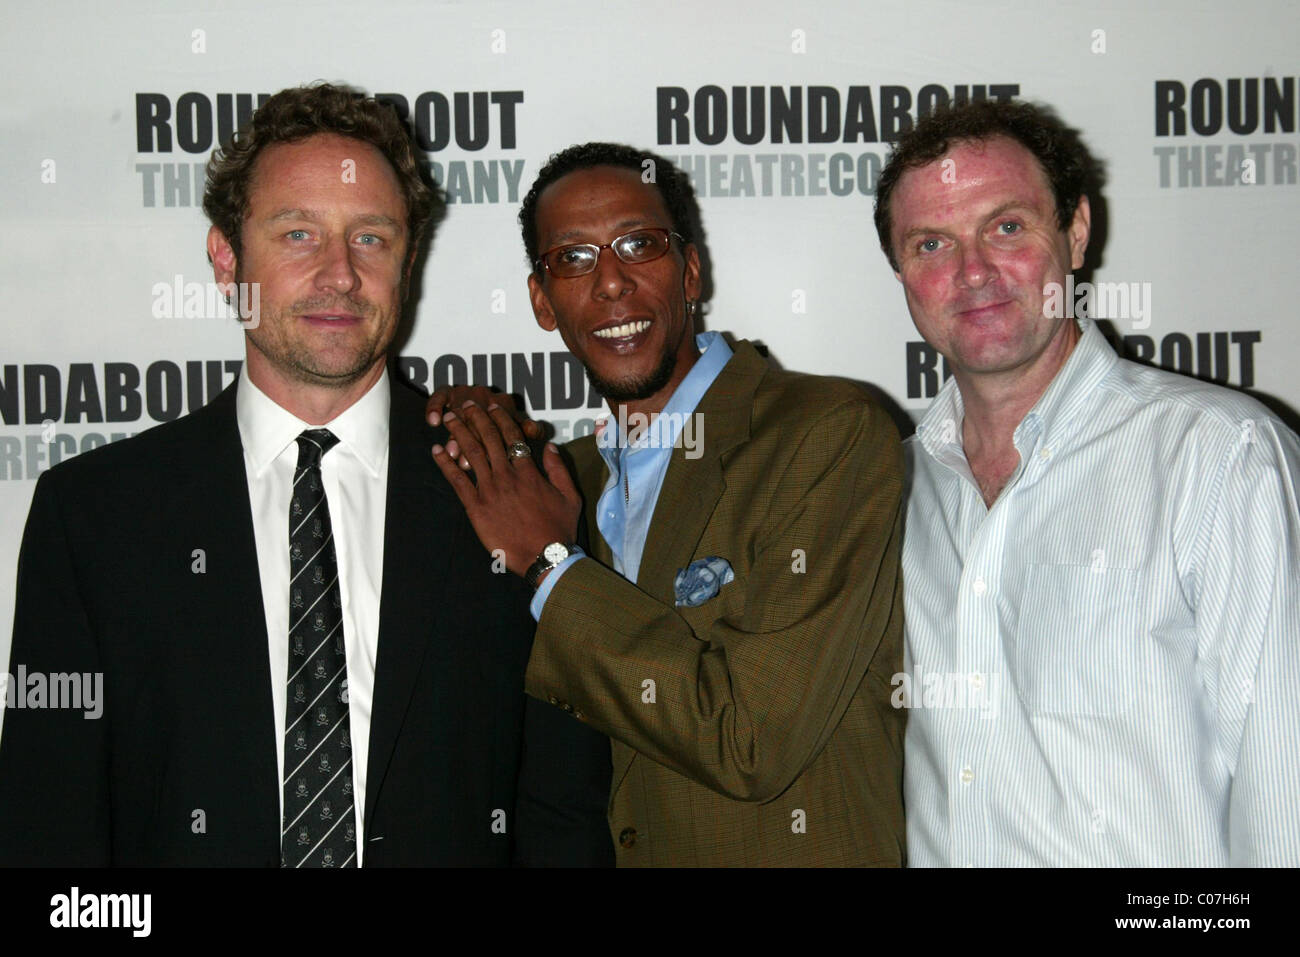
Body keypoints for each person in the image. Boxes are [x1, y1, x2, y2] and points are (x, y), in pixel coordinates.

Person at [0, 83, 611, 867]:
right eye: (297, 234)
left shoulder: (515, 495)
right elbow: (46, 831)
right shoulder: (92, 516)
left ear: (409, 261)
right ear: (226, 258)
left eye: (371, 238)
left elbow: (563, 815)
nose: (338, 274)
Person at [427, 143, 906, 866]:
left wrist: (553, 566)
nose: (612, 283)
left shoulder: (824, 433)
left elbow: (751, 739)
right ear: (541, 301)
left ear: (689, 270)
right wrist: (459, 433)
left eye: (638, 245)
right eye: (573, 259)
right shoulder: (560, 480)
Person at [874, 98, 1300, 865]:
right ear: (903, 274)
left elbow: (1286, 796)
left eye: (1006, 226)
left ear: (1075, 230)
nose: (972, 272)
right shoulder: (890, 487)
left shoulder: (1219, 456)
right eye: (931, 243)